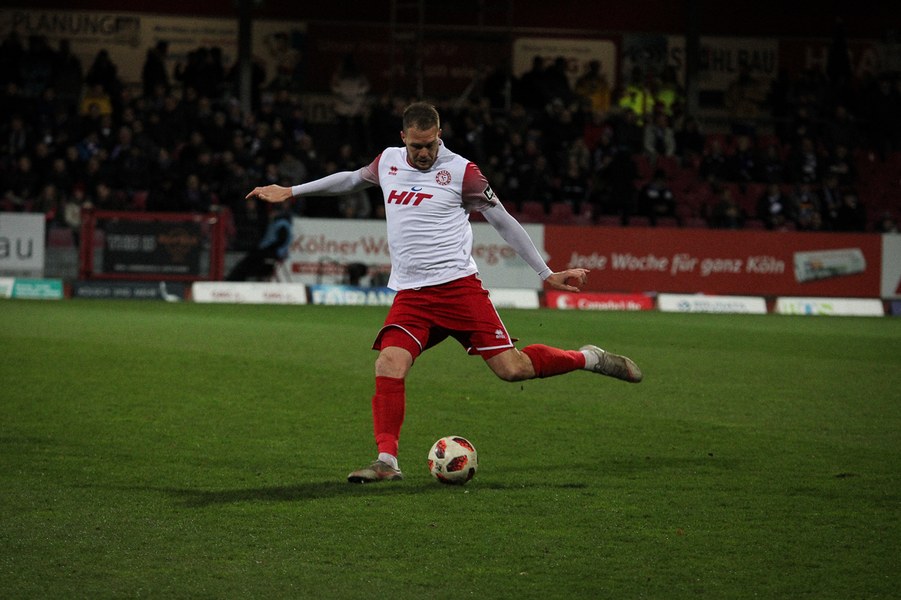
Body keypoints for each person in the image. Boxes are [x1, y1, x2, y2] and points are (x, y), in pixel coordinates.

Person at [245, 102, 643, 484]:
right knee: (389, 363)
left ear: (440, 135)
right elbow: (350, 178)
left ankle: (587, 358)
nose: (423, 153)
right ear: (403, 137)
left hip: (458, 291)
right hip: (412, 296)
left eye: (430, 145)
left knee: (513, 370)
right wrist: (291, 191)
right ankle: (386, 461)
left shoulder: (462, 172)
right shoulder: (388, 161)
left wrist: (545, 272)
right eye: (416, 146)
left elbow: (503, 220)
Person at [225, 203, 293, 281]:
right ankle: (237, 277)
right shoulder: (276, 223)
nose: (271, 214)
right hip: (269, 250)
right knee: (251, 257)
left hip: (274, 251)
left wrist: (268, 248)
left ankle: (236, 278)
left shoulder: (282, 224)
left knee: (252, 259)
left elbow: (281, 240)